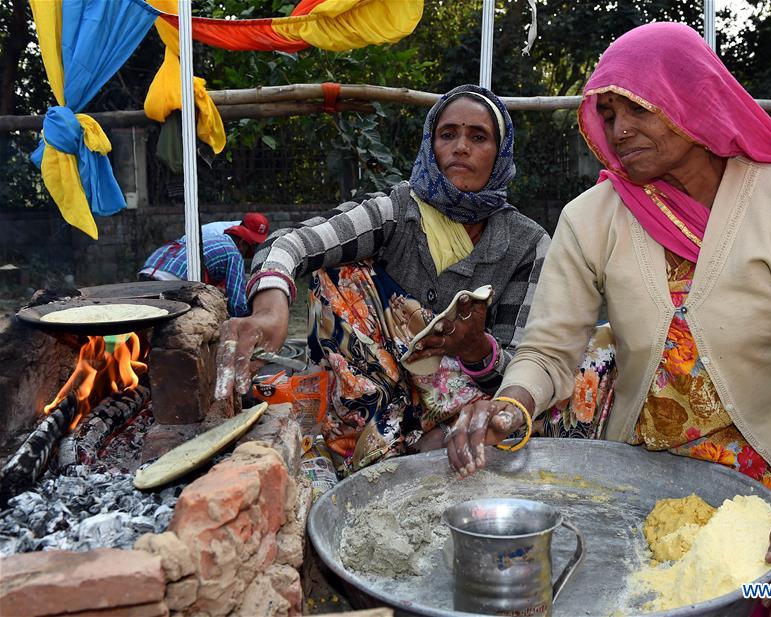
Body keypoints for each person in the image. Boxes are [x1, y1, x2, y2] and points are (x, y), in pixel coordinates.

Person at [446, 23, 771, 617]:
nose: (620, 131)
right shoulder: (592, 219)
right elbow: (549, 349)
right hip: (647, 496)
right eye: (609, 113)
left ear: (691, 101)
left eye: (638, 110)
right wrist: (514, 402)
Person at [215, 85, 550, 474]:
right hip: (381, 397)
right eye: (448, 134)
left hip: (468, 401)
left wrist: (477, 348)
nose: (461, 147)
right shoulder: (398, 210)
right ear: (431, 144)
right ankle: (396, 440)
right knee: (338, 273)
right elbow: (294, 242)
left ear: (501, 153)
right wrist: (270, 309)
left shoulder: (527, 243)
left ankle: (422, 441)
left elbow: (522, 365)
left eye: (478, 137)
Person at [139, 213, 270, 317]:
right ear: (242, 243)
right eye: (252, 247)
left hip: (149, 269)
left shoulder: (210, 235)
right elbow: (237, 306)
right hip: (173, 280)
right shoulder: (234, 254)